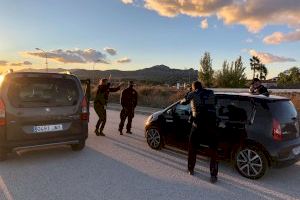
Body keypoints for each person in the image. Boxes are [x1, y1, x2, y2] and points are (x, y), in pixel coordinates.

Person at [180, 81, 219, 183]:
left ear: (193, 87)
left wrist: (188, 93)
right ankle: (213, 175)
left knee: (192, 147)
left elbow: (183, 102)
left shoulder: (193, 93)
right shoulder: (211, 92)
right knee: (214, 151)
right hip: (211, 125)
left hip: (198, 125)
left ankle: (191, 169)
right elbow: (214, 103)